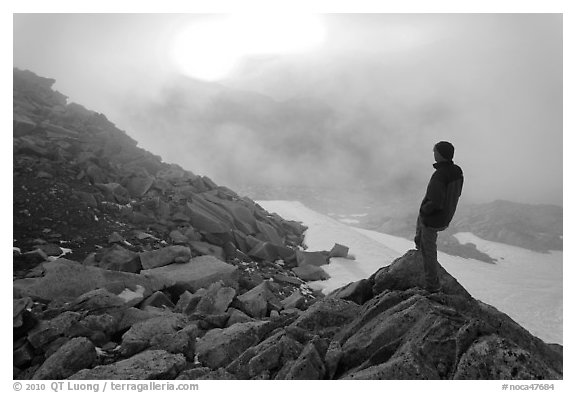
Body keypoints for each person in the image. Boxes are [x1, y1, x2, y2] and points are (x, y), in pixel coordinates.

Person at [414, 141, 464, 292]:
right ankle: (418, 247)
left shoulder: (440, 175)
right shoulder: (456, 171)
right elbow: (457, 193)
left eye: (435, 151)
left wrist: (425, 210)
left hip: (434, 218)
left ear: (441, 154)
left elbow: (435, 201)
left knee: (428, 250)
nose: (433, 153)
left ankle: (432, 286)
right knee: (422, 235)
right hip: (446, 215)